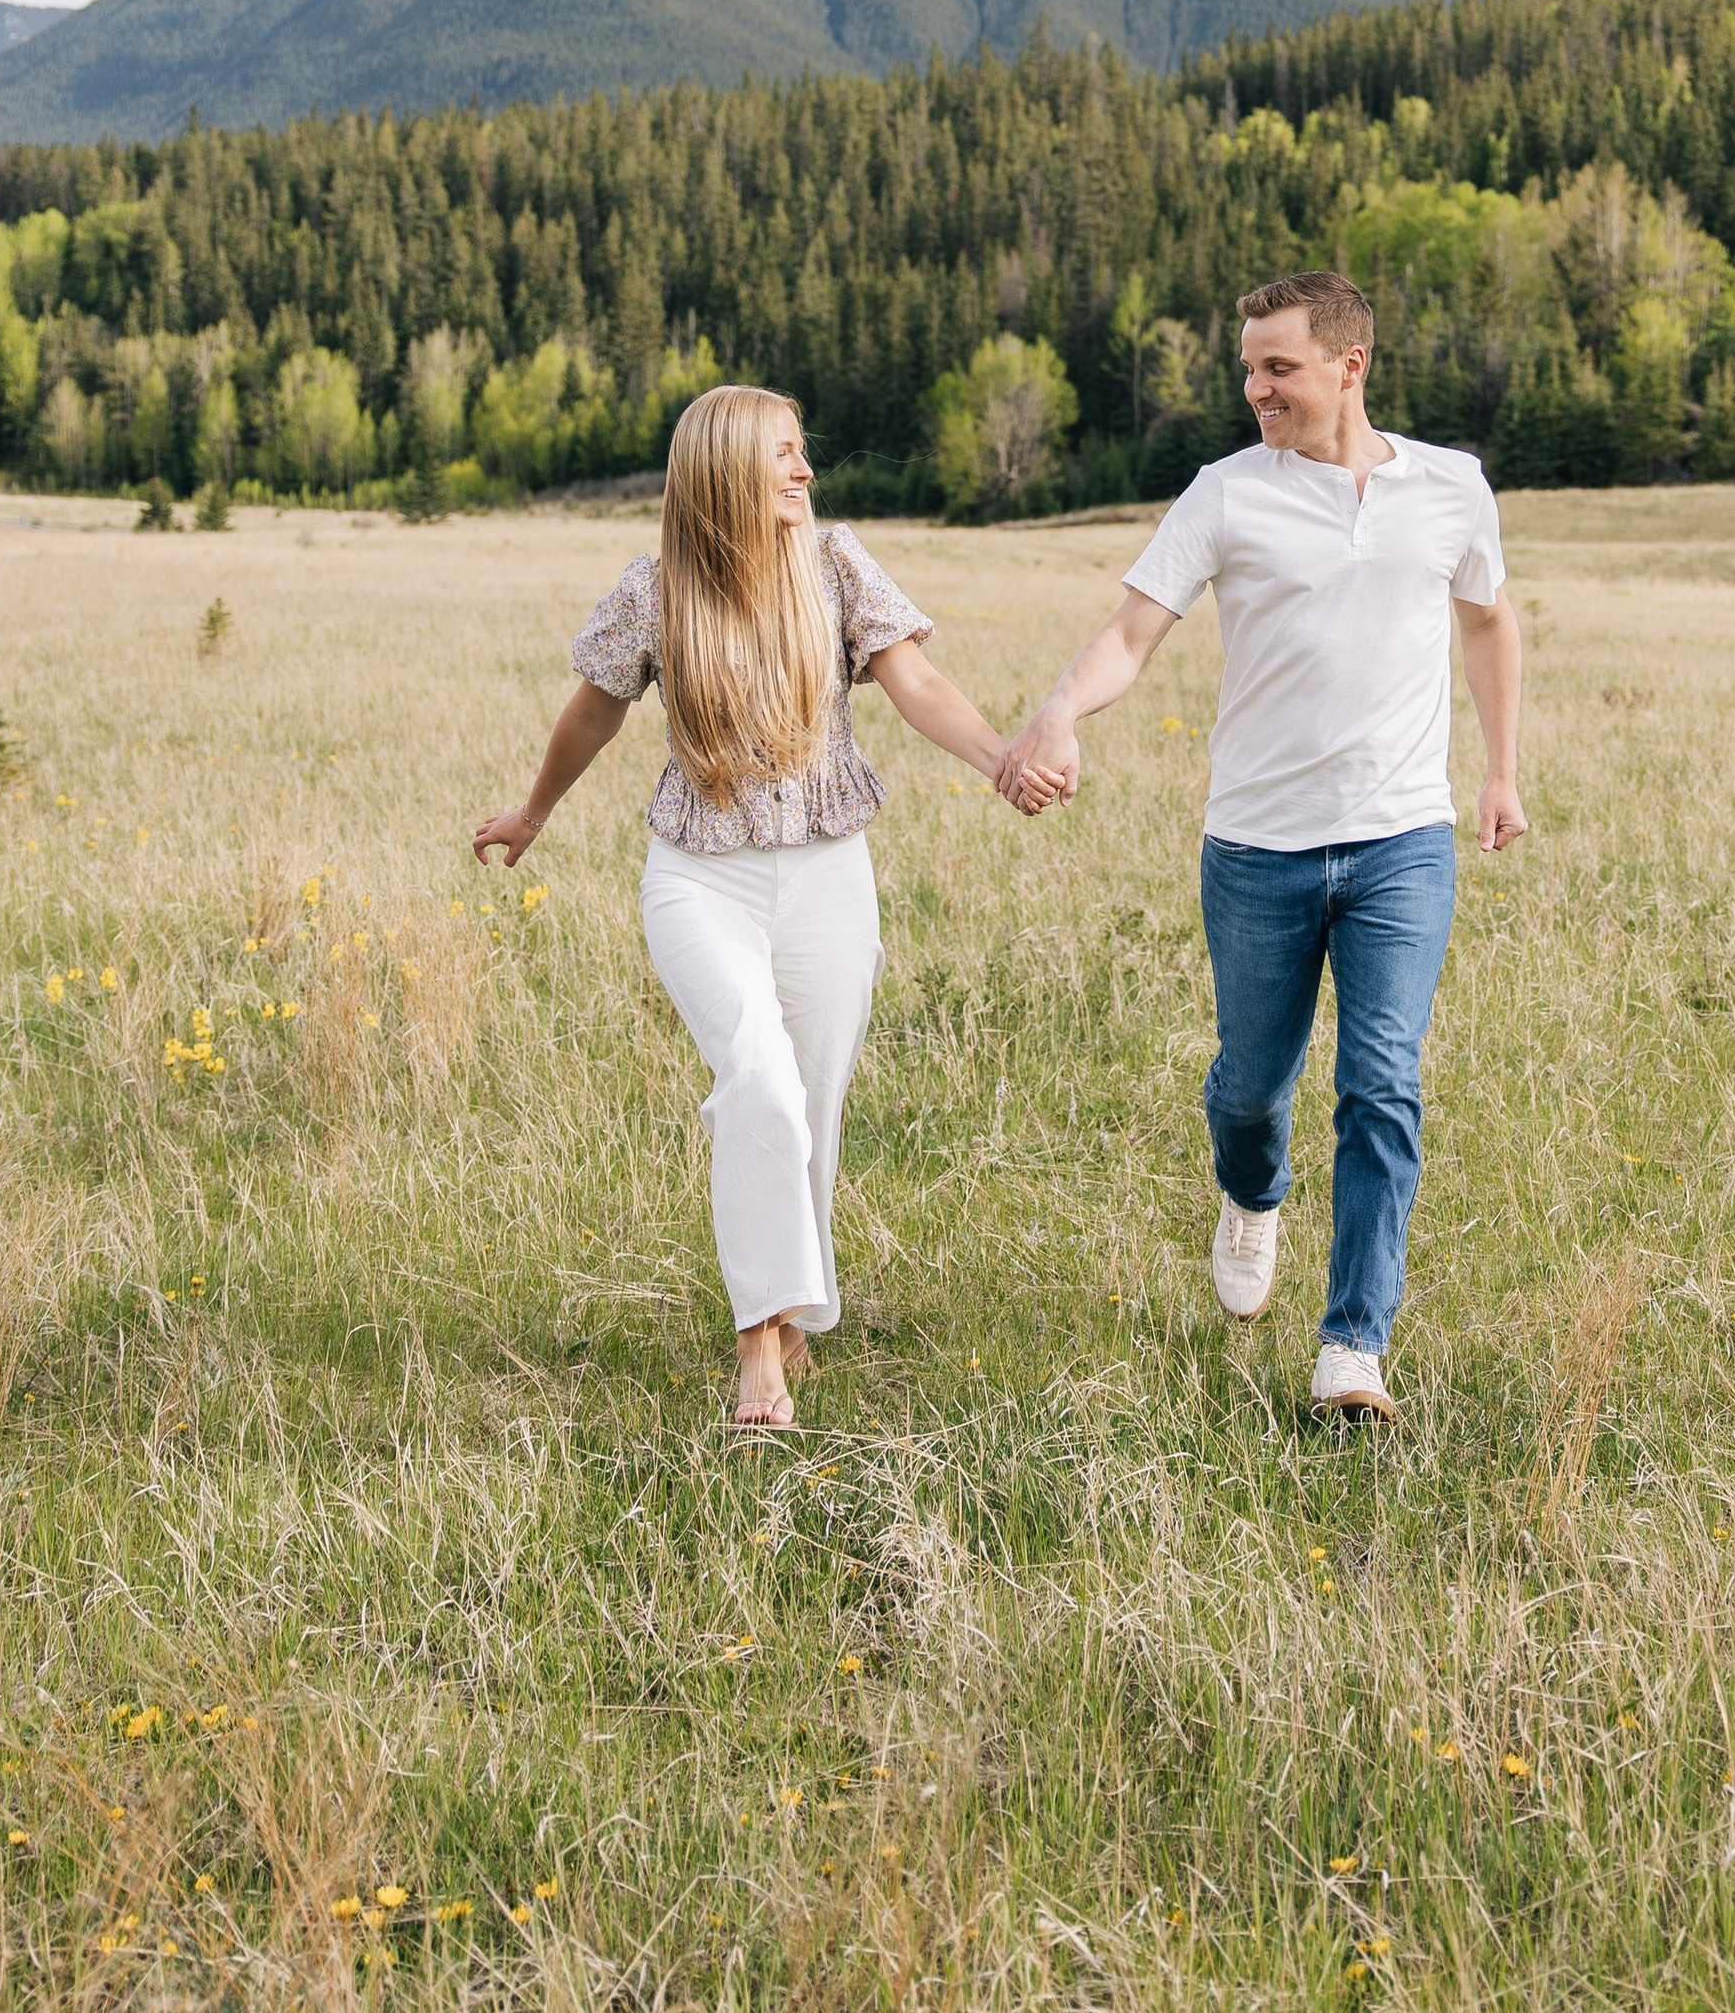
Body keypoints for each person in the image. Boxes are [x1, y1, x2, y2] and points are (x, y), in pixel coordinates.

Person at [998, 271, 1524, 1420]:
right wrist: (1058, 712)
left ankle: (1352, 1347)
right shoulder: (1225, 495)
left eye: (1277, 367)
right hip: (1257, 849)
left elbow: (1484, 619)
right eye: (1248, 368)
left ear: (1351, 365)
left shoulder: (1449, 489)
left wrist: (1498, 768)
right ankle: (1253, 1196)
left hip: (1400, 840)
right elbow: (1133, 633)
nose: (1255, 389)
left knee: (1382, 1082)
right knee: (1249, 1091)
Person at [474, 383, 1026, 1430]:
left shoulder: (835, 565)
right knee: (761, 1082)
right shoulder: (654, 591)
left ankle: (787, 1324)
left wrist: (1001, 761)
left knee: (810, 1109)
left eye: (803, 451)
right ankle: (756, 1355)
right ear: (726, 464)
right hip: (700, 877)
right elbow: (593, 711)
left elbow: (914, 684)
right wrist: (533, 812)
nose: (804, 470)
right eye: (782, 452)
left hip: (828, 873)